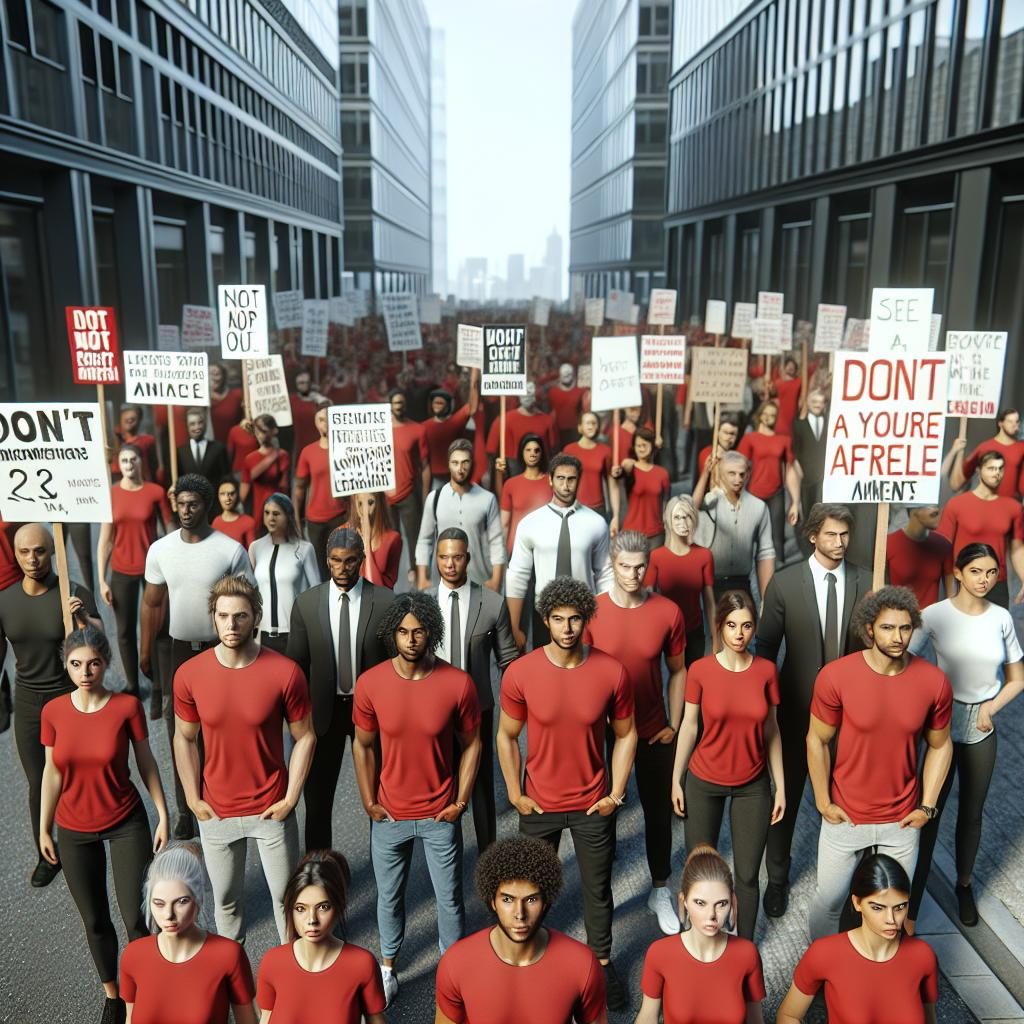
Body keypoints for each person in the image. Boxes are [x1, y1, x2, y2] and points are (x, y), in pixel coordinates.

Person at [497, 577, 637, 1011]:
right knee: (527, 889)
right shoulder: (521, 672)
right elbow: (506, 736)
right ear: (546, 621)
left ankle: (602, 962)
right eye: (558, 619)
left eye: (575, 618)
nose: (567, 628)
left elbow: (627, 734)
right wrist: (515, 794)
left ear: (586, 620)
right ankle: (523, 962)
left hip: (592, 803)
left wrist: (615, 792)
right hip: (539, 803)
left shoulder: (611, 671)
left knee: (596, 890)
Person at [353, 592, 482, 1008]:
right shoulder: (371, 683)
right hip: (389, 814)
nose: (411, 639)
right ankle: (388, 969)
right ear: (393, 635)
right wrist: (369, 800)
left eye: (419, 631)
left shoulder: (457, 683)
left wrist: (460, 802)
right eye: (403, 632)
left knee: (449, 897)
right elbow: (363, 745)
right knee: (389, 895)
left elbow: (473, 743)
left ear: (432, 632)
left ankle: (455, 974)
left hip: (440, 812)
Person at [173, 574, 316, 942]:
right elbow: (184, 738)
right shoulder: (189, 674)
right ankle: (233, 989)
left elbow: (305, 737)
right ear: (213, 617)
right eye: (222, 616)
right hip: (217, 810)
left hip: (271, 809)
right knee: (226, 905)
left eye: (240, 616)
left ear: (255, 617)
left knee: (288, 904)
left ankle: (293, 987)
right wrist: (192, 799)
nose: (231, 624)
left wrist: (291, 797)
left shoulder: (285, 673)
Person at [806, 585, 953, 940]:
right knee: (829, 902)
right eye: (888, 628)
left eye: (905, 628)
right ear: (869, 629)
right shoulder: (836, 676)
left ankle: (878, 979)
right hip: (846, 814)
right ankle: (820, 974)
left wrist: (928, 807)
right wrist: (824, 801)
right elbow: (817, 739)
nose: (898, 636)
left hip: (900, 822)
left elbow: (941, 745)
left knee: (892, 913)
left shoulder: (933, 681)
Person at [39, 625, 168, 1024]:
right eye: (76, 664)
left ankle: (145, 991)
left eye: (93, 664)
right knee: (95, 919)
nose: (85, 672)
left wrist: (162, 813)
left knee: (136, 917)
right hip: (74, 829)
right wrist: (43, 829)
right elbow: (51, 773)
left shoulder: (125, 707)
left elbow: (145, 761)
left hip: (126, 821)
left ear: (105, 664)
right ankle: (113, 997)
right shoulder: (53, 712)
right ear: (66, 666)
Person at [755, 502, 872, 918]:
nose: (839, 543)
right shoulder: (786, 584)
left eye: (845, 535)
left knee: (849, 802)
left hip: (851, 716)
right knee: (783, 800)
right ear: (812, 535)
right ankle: (778, 880)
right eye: (831, 535)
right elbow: (766, 649)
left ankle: (853, 890)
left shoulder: (867, 580)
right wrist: (765, 707)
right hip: (795, 711)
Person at [907, 543, 1024, 930]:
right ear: (957, 573)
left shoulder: (1001, 617)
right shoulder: (935, 615)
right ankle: (911, 896)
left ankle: (964, 884)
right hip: (942, 720)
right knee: (929, 808)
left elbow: (1017, 680)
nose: (984, 580)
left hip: (981, 723)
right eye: (976, 572)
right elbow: (901, 658)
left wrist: (992, 707)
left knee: (972, 813)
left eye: (992, 572)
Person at [140, 473, 254, 840]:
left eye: (194, 505)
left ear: (207, 506)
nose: (186, 511)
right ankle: (185, 808)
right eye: (181, 504)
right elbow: (152, 602)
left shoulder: (229, 549)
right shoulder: (160, 549)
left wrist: (249, 651)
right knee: (181, 734)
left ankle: (224, 798)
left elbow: (250, 604)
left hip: (220, 650)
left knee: (224, 729)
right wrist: (144, 648)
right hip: (178, 652)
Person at [582, 532, 685, 935]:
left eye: (640, 566)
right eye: (624, 566)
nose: (633, 573)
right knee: (603, 817)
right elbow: (581, 673)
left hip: (651, 728)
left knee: (658, 815)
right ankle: (600, 897)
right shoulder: (592, 611)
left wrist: (673, 724)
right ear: (612, 564)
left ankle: (660, 888)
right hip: (602, 733)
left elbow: (678, 671)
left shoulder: (668, 612)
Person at [670, 592, 784, 940]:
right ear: (720, 627)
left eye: (747, 626)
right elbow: (689, 726)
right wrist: (677, 779)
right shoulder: (701, 671)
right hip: (703, 779)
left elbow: (772, 730)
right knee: (700, 872)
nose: (740, 634)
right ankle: (697, 944)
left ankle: (744, 950)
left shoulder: (766, 671)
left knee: (748, 874)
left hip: (752, 784)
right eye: (732, 625)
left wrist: (780, 785)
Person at [0, 523, 101, 886]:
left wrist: (81, 620)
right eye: (24, 551)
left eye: (40, 550)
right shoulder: (5, 598)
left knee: (77, 773)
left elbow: (101, 647)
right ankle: (46, 851)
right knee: (37, 780)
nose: (32, 559)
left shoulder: (72, 593)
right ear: (15, 553)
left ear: (52, 551)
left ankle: (88, 837)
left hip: (67, 699)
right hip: (28, 702)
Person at [287, 527, 395, 852]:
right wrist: (298, 720)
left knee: (378, 796)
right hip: (323, 714)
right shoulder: (307, 604)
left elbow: (396, 665)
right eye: (336, 561)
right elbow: (295, 667)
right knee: (318, 803)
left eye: (350, 562)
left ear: (361, 561)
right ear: (327, 560)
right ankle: (318, 872)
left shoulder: (386, 601)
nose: (343, 569)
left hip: (372, 714)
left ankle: (385, 864)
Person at [435, 836, 607, 1024]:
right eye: (508, 899)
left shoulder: (582, 964)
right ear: (492, 901)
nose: (520, 914)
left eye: (531, 899)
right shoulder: (456, 963)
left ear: (545, 902)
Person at [431, 527, 518, 850]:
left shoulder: (492, 603)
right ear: (436, 559)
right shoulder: (422, 603)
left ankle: (488, 858)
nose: (450, 564)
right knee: (439, 787)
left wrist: (514, 709)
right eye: (443, 557)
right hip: (433, 711)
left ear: (467, 558)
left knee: (481, 790)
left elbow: (508, 659)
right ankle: (445, 858)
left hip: (478, 709)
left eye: (456, 557)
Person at [776, 854, 939, 1024]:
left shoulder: (923, 956)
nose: (891, 919)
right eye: (878, 908)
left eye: (900, 907)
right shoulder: (825, 953)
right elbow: (788, 1016)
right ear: (857, 903)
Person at [121, 844, 257, 1024]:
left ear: (197, 900)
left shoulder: (228, 955)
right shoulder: (133, 955)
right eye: (159, 904)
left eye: (181, 902)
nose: (168, 915)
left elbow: (248, 1021)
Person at [635, 844, 766, 1024]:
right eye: (700, 903)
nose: (711, 915)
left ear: (732, 902)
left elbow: (756, 1021)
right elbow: (647, 1018)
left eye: (721, 904)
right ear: (684, 901)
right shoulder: (660, 954)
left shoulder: (747, 954)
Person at [257, 850, 387, 1024]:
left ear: (338, 907)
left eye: (323, 907)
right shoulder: (272, 962)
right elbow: (265, 1018)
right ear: (291, 911)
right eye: (301, 909)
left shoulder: (362, 964)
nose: (312, 920)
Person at [506, 454, 613, 649]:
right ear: (550, 479)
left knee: (586, 672)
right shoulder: (531, 523)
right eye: (560, 478)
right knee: (545, 676)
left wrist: (607, 620)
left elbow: (605, 575)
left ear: (579, 480)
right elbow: (517, 576)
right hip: (544, 615)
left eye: (571, 479)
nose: (565, 485)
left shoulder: (596, 523)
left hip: (585, 614)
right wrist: (513, 626)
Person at [97, 445, 173, 696]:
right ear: (119, 464)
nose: (129, 464)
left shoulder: (155, 492)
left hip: (153, 569)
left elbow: (171, 532)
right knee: (125, 630)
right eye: (124, 461)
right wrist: (102, 580)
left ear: (141, 461)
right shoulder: (111, 494)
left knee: (160, 626)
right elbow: (105, 541)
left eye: (133, 459)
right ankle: (132, 685)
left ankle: (160, 680)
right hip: (121, 570)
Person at [937, 450, 1024, 608]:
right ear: (978, 471)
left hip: (997, 584)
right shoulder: (956, 504)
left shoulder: (1013, 508)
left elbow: (1017, 549)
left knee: (996, 632)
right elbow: (944, 549)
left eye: (1000, 468)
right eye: (991, 468)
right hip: (964, 583)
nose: (996, 473)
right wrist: (950, 591)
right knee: (961, 632)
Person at [415, 439, 505, 592]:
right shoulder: (435, 498)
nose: (460, 468)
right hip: (443, 582)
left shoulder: (487, 498)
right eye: (455, 463)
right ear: (448, 464)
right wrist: (423, 578)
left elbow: (496, 541)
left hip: (479, 580)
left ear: (472, 464)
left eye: (465, 462)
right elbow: (424, 540)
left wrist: (496, 580)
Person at [692, 450, 775, 601]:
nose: (738, 479)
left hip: (742, 583)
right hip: (710, 586)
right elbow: (691, 512)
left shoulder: (759, 507)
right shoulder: (710, 501)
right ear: (721, 474)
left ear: (748, 474)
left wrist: (766, 599)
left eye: (742, 474)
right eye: (731, 473)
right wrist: (705, 475)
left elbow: (766, 553)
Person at [646, 496, 715, 666]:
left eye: (687, 516)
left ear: (694, 519)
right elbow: (647, 600)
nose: (683, 522)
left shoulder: (704, 555)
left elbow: (709, 602)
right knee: (672, 682)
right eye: (677, 517)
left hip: (695, 630)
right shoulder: (656, 557)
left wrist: (716, 638)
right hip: (666, 633)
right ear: (668, 520)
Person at [248, 494, 319, 655]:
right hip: (263, 634)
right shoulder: (256, 547)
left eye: (276, 513)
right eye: (267, 513)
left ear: (288, 516)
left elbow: (316, 592)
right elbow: (250, 590)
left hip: (294, 633)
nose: (271, 518)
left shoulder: (304, 549)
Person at [737, 399, 800, 563]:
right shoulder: (750, 438)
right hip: (753, 493)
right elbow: (738, 465)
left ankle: (778, 576)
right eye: (766, 414)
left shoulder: (784, 440)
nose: (769, 418)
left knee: (777, 538)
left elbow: (790, 471)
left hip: (776, 494)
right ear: (760, 415)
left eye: (773, 415)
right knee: (750, 536)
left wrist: (795, 502)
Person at [294, 402, 349, 580]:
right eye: (321, 419)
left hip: (340, 516)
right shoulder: (308, 452)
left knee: (342, 565)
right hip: (315, 519)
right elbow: (299, 488)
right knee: (319, 568)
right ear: (316, 423)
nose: (325, 423)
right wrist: (296, 518)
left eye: (328, 419)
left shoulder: (345, 448)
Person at [387, 388, 425, 575]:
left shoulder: (417, 429)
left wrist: (425, 495)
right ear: (389, 406)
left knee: (413, 536)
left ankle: (415, 572)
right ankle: (391, 573)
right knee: (389, 538)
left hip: (408, 490)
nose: (398, 407)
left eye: (401, 403)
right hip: (385, 493)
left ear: (405, 405)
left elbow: (425, 465)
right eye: (395, 403)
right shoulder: (380, 430)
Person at [886, 505, 953, 610]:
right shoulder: (888, 544)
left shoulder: (943, 545)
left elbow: (952, 598)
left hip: (931, 621)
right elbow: (881, 592)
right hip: (899, 621)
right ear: (914, 511)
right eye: (929, 505)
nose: (936, 509)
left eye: (935, 505)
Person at [948, 407, 1024, 498]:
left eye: (1016, 422)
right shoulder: (985, 448)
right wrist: (959, 451)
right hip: (987, 505)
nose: (1014, 425)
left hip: (1011, 506)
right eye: (1010, 421)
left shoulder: (1021, 448)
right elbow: (956, 484)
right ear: (1000, 423)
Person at [420, 375, 480, 491]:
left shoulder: (455, 422)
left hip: (455, 474)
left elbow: (472, 407)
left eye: (440, 403)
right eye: (435, 403)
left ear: (448, 406)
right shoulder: (424, 427)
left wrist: (474, 379)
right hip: (435, 477)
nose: (437, 406)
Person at [486, 383, 558, 480]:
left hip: (540, 467)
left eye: (530, 393)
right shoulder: (505, 419)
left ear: (535, 396)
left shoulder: (547, 420)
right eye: (524, 393)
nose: (527, 396)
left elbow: (553, 448)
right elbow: (491, 449)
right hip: (513, 467)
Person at [496, 433, 553, 553]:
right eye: (528, 450)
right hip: (517, 547)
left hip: (546, 547)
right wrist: (502, 554)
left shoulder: (552, 482)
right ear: (522, 453)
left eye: (537, 450)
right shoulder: (511, 484)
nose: (533, 453)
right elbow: (504, 523)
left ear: (542, 454)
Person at [563, 410, 620, 528]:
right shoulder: (569, 450)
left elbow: (613, 485)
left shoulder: (605, 451)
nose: (591, 426)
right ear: (580, 427)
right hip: (574, 508)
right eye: (587, 423)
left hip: (598, 509)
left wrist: (616, 516)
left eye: (594, 423)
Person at [791, 389, 828, 558]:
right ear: (808, 403)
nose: (818, 406)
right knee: (808, 512)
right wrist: (800, 474)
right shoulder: (799, 425)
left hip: (824, 476)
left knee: (824, 512)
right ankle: (809, 550)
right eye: (815, 402)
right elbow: (795, 453)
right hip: (806, 477)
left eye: (821, 403)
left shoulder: (830, 423)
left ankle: (822, 547)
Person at [619, 427, 670, 547]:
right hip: (631, 533)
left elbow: (666, 504)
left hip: (656, 533)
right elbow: (618, 477)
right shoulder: (629, 469)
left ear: (652, 445)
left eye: (645, 444)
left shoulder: (662, 473)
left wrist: (668, 530)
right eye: (638, 445)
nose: (642, 448)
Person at [240, 414, 290, 531]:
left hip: (278, 509)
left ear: (273, 431)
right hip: (257, 512)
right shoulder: (250, 458)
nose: (260, 435)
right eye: (257, 431)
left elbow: (285, 487)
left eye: (263, 431)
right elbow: (245, 488)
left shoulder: (283, 456)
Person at [346, 491, 402, 590]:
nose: (365, 511)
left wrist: (366, 543)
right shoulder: (343, 534)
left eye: (370, 503)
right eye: (360, 504)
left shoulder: (393, 539)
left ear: (379, 504)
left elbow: (376, 590)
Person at [177, 407, 232, 493]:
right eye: (192, 424)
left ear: (205, 424)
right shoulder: (180, 452)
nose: (197, 427)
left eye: (200, 423)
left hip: (214, 502)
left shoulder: (219, 449)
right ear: (187, 426)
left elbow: (226, 479)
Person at [111, 404, 158, 481]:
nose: (130, 418)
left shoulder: (147, 441)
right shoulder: (111, 439)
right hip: (117, 482)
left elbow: (153, 469)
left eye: (133, 418)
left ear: (140, 419)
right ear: (120, 418)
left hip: (141, 483)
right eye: (126, 416)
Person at [547, 363, 587, 451]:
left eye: (568, 373)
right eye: (564, 374)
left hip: (575, 430)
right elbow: (549, 412)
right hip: (558, 431)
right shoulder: (553, 392)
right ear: (560, 375)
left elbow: (584, 411)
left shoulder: (580, 391)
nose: (566, 375)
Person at [212, 477, 257, 549]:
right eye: (223, 494)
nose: (227, 498)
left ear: (237, 495)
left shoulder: (248, 522)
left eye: (231, 494)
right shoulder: (216, 522)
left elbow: (252, 554)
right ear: (218, 496)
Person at [208, 362, 246, 443]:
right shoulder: (200, 400)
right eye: (210, 374)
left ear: (223, 376)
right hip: (210, 449)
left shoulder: (237, 396)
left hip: (233, 445)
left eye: (217, 374)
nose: (213, 378)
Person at [770, 356, 803, 437]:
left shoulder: (799, 382)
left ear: (796, 369)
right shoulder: (778, 382)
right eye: (789, 365)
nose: (791, 367)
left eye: (793, 366)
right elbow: (771, 396)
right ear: (784, 367)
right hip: (780, 414)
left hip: (793, 415)